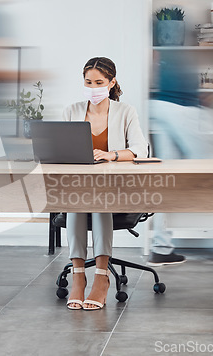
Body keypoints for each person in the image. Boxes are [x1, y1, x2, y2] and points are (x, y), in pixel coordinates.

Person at [62, 57, 147, 310]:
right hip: (79, 186)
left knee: (98, 199)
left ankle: (101, 277)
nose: (93, 87)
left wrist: (112, 155)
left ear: (112, 82)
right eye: (88, 82)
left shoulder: (125, 112)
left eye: (99, 82)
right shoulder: (71, 111)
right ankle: (78, 276)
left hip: (114, 188)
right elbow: (61, 147)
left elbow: (141, 149)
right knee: (77, 201)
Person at [147, 51, 213, 266]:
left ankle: (161, 247)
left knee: (165, 180)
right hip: (181, 106)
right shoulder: (172, 39)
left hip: (160, 106)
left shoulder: (162, 37)